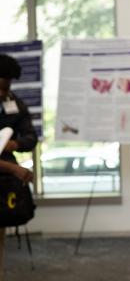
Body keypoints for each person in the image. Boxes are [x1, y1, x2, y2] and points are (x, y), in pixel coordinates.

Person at [0, 53, 38, 281]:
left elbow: (31, 138)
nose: (3, 94)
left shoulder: (15, 104)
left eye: (6, 88)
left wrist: (15, 143)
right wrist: (14, 169)